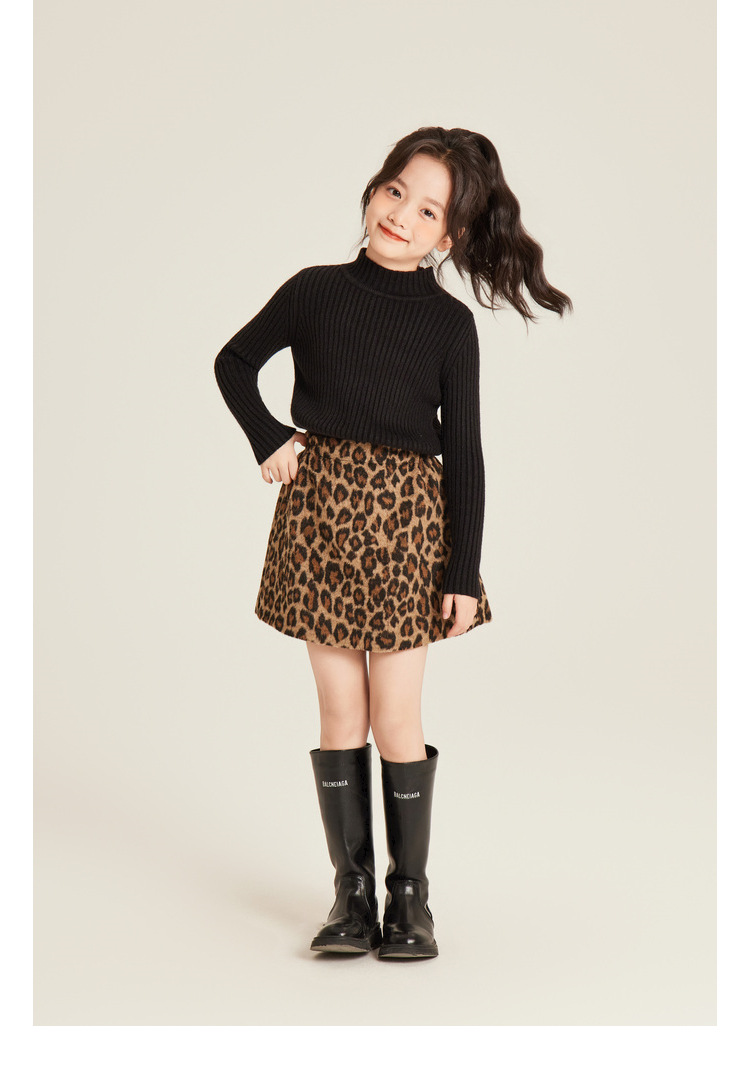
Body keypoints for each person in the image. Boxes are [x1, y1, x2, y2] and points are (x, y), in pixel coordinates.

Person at [214, 126, 572, 960]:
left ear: (448, 237)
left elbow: (466, 456)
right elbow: (233, 362)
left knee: (396, 716)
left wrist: (463, 574)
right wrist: (270, 436)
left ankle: (410, 901)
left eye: (428, 211)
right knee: (340, 711)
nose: (402, 215)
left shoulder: (449, 327)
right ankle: (351, 897)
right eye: (395, 191)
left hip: (410, 530)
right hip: (321, 519)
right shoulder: (313, 291)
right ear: (374, 189)